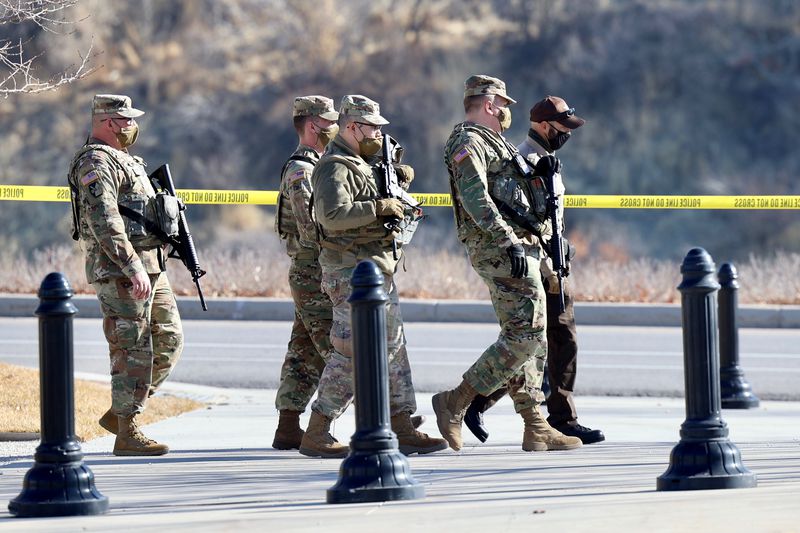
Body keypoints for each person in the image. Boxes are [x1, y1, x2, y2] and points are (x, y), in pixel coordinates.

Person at [434, 75, 582, 452]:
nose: (505, 111)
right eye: (502, 105)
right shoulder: (468, 141)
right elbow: (476, 199)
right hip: (497, 249)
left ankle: (536, 426)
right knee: (525, 335)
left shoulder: (492, 141)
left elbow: (514, 199)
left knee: (533, 339)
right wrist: (508, 242)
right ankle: (456, 400)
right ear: (488, 103)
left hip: (519, 247)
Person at [299, 94, 447, 458]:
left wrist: (396, 185)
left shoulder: (363, 163)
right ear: (352, 127)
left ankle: (402, 425)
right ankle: (317, 429)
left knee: (393, 348)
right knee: (351, 352)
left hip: (376, 269)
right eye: (373, 128)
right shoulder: (335, 165)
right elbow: (332, 215)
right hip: (350, 273)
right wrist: (378, 206)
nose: (379, 135)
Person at [463, 96, 605, 445]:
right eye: (561, 128)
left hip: (554, 260)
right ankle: (475, 400)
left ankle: (561, 417)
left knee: (561, 338)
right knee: (534, 341)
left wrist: (564, 245)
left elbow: (553, 214)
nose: (565, 135)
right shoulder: (522, 162)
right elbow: (520, 215)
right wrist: (546, 244)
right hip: (533, 260)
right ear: (543, 125)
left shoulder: (549, 161)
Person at [67, 94, 183, 456]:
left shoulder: (128, 160)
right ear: (107, 122)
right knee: (131, 348)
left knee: (169, 340)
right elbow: (105, 221)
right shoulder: (95, 161)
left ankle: (121, 415)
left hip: (152, 266)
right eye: (126, 119)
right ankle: (128, 431)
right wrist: (132, 267)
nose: (133, 125)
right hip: (120, 270)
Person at [271, 95, 339, 450]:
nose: (335, 128)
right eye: (329, 122)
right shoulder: (303, 170)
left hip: (313, 271)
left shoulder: (318, 164)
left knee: (304, 352)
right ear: (313, 125)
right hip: (314, 271)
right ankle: (385, 418)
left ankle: (287, 426)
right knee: (339, 350)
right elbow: (311, 227)